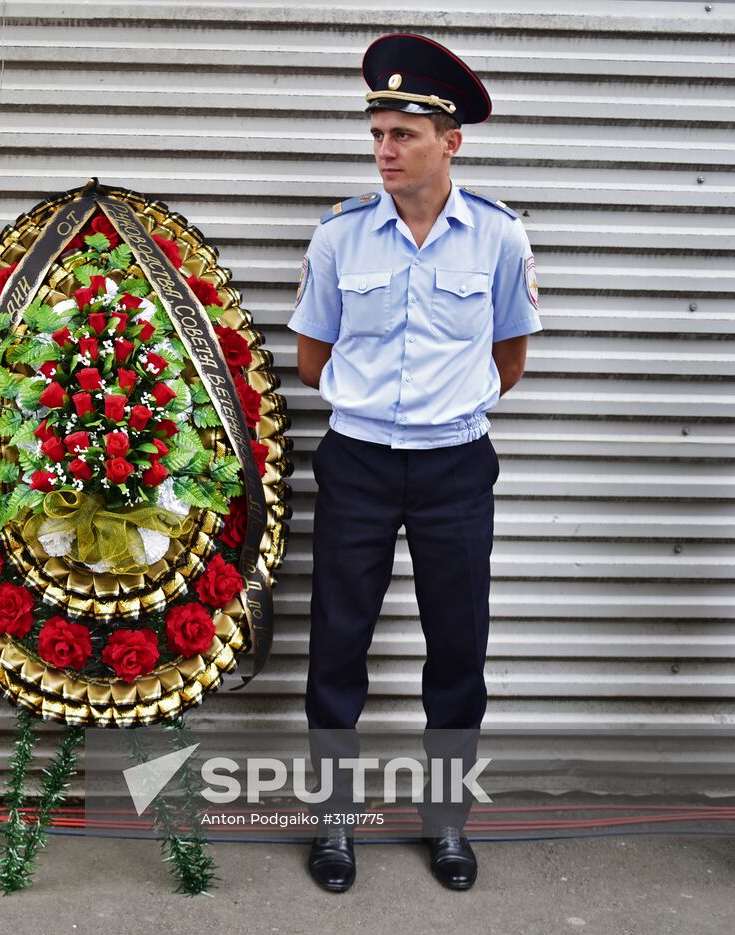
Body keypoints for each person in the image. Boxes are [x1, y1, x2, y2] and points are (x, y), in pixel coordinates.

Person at [288, 33, 542, 893]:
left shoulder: (499, 239)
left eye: (404, 134)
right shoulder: (340, 238)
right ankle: (333, 822)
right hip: (358, 460)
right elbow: (313, 356)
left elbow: (508, 356)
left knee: (458, 651)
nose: (386, 150)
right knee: (337, 647)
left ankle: (447, 823)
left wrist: (447, 407)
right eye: (379, 135)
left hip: (454, 469)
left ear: (450, 141)